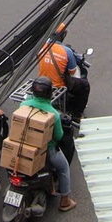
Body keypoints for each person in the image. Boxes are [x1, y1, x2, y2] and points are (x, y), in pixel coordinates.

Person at [21, 76, 76, 211]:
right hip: (47, 151)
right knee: (64, 168)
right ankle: (65, 201)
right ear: (49, 93)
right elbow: (59, 136)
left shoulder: (24, 105)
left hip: (23, 146)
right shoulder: (54, 114)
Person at [38, 30, 91, 119]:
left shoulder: (41, 47)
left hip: (42, 81)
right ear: (62, 36)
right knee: (84, 85)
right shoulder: (67, 51)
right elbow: (72, 71)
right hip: (58, 86)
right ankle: (77, 116)